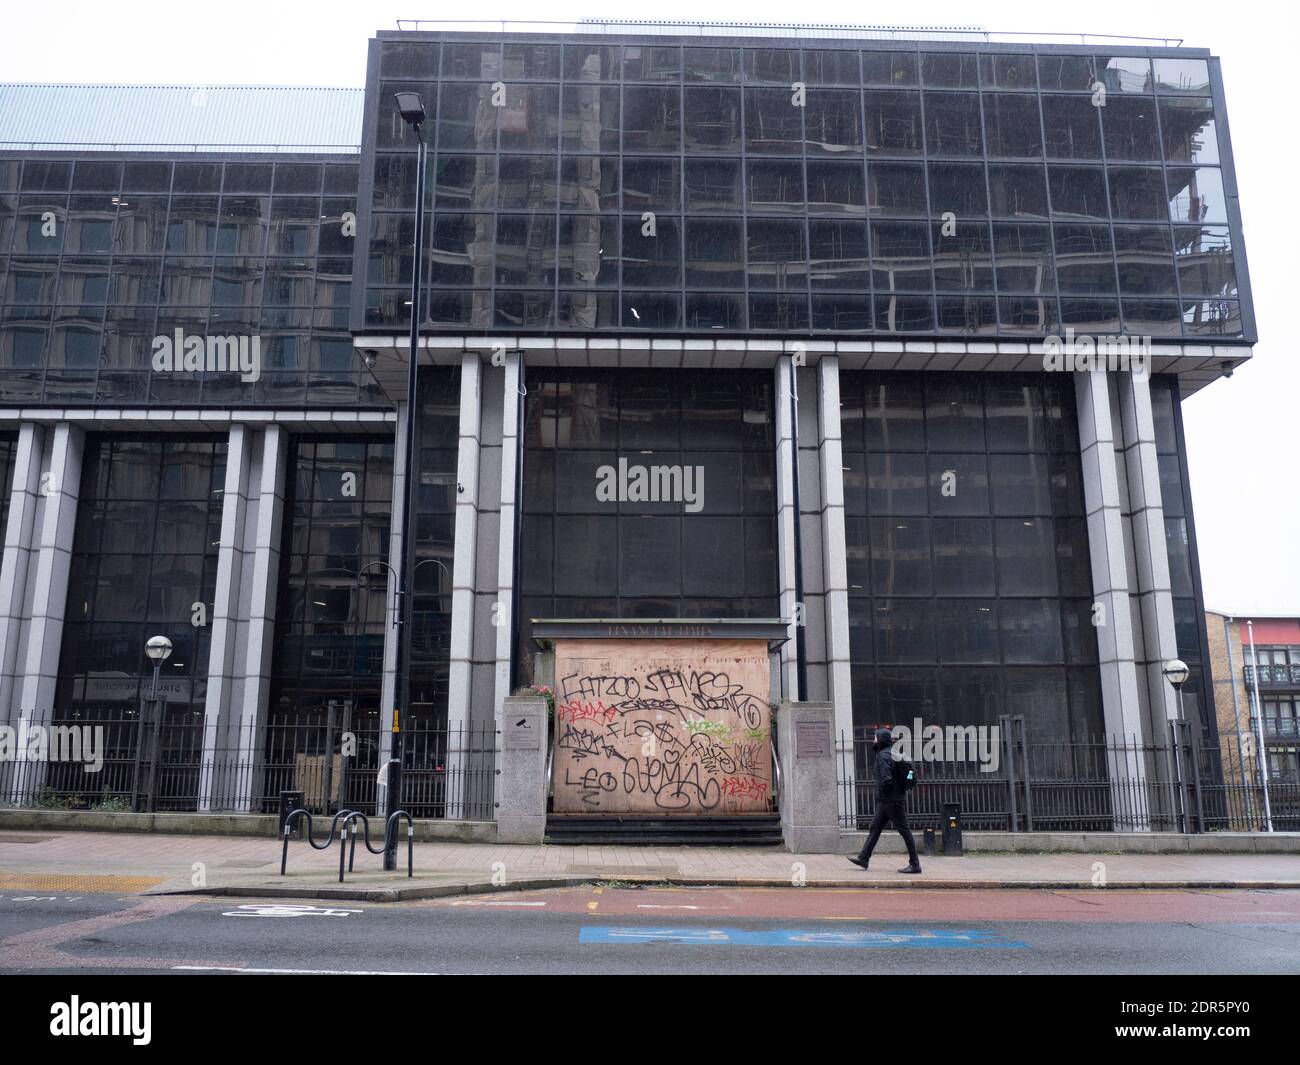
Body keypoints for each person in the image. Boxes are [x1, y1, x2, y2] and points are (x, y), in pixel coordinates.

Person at [848, 727, 922, 874]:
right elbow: (907, 775)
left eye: (875, 738)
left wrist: (885, 792)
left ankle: (915, 864)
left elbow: (886, 779)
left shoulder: (883, 756)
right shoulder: (894, 753)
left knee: (904, 831)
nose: (873, 740)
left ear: (881, 740)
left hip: (890, 800)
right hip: (888, 800)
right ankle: (864, 858)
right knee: (875, 828)